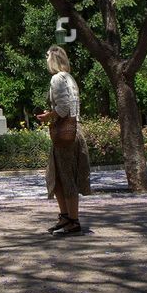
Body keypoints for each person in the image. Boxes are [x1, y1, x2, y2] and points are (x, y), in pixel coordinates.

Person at [37, 45, 90, 235]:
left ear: (53, 59)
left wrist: (47, 116)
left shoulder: (57, 78)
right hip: (74, 132)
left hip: (65, 135)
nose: (45, 61)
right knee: (57, 176)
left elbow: (64, 108)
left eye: (47, 57)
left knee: (65, 177)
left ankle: (73, 221)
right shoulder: (69, 78)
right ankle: (65, 216)